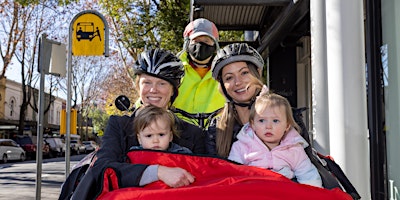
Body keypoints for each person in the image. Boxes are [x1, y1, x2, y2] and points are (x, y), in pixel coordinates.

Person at [71, 48, 204, 199]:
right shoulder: (119, 126)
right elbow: (102, 168)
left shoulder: (193, 134)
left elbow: (205, 178)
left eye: (162, 83)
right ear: (138, 86)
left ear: (173, 90)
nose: (153, 90)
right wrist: (158, 172)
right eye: (147, 82)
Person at [227, 92, 323, 188]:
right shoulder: (242, 146)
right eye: (261, 120)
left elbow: (307, 174)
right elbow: (232, 173)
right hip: (253, 189)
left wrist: (313, 193)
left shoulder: (293, 148)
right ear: (253, 124)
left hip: (283, 190)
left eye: (275, 121)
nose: (268, 126)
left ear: (287, 126)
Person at [206, 42, 265, 157]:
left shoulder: (284, 115)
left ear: (257, 73)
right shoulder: (216, 129)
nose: (238, 82)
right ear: (222, 86)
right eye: (229, 78)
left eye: (244, 73)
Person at [172, 18, 226, 127]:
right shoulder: (173, 69)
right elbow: (153, 94)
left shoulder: (225, 72)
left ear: (214, 44)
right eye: (196, 41)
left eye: (206, 41)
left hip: (217, 133)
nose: (201, 45)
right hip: (178, 133)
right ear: (187, 43)